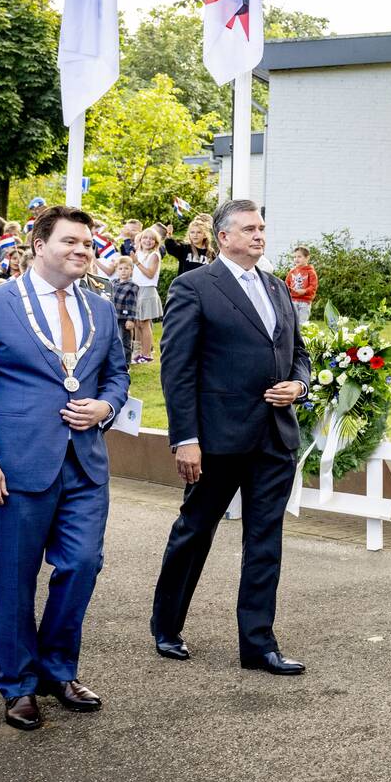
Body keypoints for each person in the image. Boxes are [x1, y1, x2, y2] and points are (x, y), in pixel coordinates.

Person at [0, 206, 130, 730]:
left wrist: (105, 406)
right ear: (39, 244)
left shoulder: (101, 309)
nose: (82, 250)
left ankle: (58, 670)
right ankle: (19, 684)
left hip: (84, 466)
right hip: (13, 469)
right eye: (70, 241)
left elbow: (116, 376)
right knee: (14, 579)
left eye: (87, 243)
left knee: (82, 565)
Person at [151, 200, 312, 673]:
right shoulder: (194, 286)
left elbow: (299, 353)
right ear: (223, 237)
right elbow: (177, 369)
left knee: (265, 541)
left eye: (262, 227)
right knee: (194, 531)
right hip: (217, 440)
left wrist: (299, 386)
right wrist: (185, 438)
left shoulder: (277, 287)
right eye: (249, 229)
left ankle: (258, 645)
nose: (259, 235)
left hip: (274, 438)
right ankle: (167, 625)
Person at [129, 225, 165, 363]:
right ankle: (138, 352)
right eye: (145, 238)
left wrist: (136, 262)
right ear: (141, 239)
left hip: (147, 290)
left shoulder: (154, 255)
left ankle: (147, 354)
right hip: (137, 289)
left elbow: (150, 274)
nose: (148, 241)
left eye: (151, 239)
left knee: (144, 323)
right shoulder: (138, 253)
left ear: (155, 242)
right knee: (137, 322)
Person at [105, 220, 141, 348]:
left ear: (131, 270)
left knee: (125, 341)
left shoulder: (132, 285)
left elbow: (132, 303)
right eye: (120, 269)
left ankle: (126, 359)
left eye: (126, 269)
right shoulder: (113, 283)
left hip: (124, 316)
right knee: (113, 340)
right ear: (116, 270)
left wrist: (131, 319)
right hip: (113, 315)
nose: (123, 271)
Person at [285, 246, 318, 325]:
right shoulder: (292, 272)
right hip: (292, 301)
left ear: (307, 258)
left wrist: (305, 291)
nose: (296, 259)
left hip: (305, 302)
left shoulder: (311, 272)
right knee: (292, 322)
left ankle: (302, 333)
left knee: (302, 323)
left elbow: (313, 286)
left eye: (299, 257)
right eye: (295, 257)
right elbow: (286, 284)